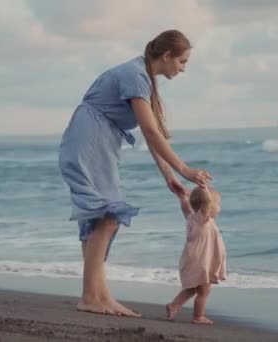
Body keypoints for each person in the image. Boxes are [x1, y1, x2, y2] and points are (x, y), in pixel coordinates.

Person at [58, 29, 213, 317]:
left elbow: (149, 133)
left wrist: (170, 177)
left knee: (102, 220)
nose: (183, 69)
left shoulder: (142, 77)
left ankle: (99, 295)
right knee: (106, 217)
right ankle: (92, 296)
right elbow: (152, 132)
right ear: (166, 56)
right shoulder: (135, 75)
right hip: (89, 139)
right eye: (182, 61)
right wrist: (184, 169)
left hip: (98, 139)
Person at [166, 186, 226, 324]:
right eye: (217, 204)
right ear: (208, 206)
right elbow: (205, 203)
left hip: (195, 260)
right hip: (201, 263)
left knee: (192, 289)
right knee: (204, 292)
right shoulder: (204, 220)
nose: (219, 208)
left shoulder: (192, 218)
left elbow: (186, 208)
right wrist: (204, 187)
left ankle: (174, 305)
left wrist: (182, 197)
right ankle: (199, 316)